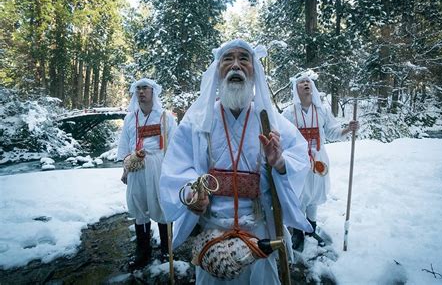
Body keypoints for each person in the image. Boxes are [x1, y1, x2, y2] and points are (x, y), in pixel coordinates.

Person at [159, 39, 312, 284]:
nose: (236, 66)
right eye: (228, 59)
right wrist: (191, 194)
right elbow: (176, 168)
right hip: (212, 236)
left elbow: (300, 157)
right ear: (218, 70)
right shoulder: (198, 121)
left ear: (254, 70)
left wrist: (281, 162)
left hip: (259, 237)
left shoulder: (270, 120)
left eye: (244, 59)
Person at [282, 71, 359, 252]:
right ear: (296, 88)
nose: (306, 84)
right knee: (300, 195)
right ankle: (298, 232)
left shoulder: (322, 110)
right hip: (298, 160)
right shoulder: (289, 113)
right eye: (301, 82)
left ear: (313, 86)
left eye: (308, 81)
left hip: (319, 159)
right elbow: (283, 137)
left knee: (315, 194)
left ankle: (311, 229)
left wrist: (349, 129)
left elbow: (333, 132)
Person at [117, 78, 177, 270]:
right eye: (138, 89)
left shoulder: (165, 117)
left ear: (153, 92)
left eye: (145, 88)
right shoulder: (130, 118)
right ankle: (143, 250)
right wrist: (126, 167)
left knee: (161, 204)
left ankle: (167, 248)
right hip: (136, 166)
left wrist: (172, 172)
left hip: (159, 166)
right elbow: (125, 145)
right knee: (138, 204)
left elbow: (174, 147)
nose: (141, 92)